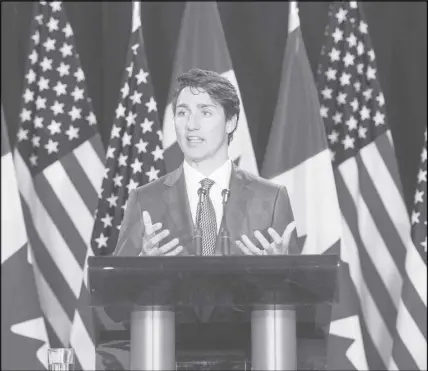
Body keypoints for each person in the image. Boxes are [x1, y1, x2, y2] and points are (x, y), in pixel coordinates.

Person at [113, 68, 299, 257]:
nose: (191, 125)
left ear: (230, 122)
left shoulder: (271, 198)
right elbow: (115, 283)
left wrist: (280, 270)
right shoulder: (144, 200)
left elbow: (300, 284)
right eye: (183, 112)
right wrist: (142, 262)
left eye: (206, 112)